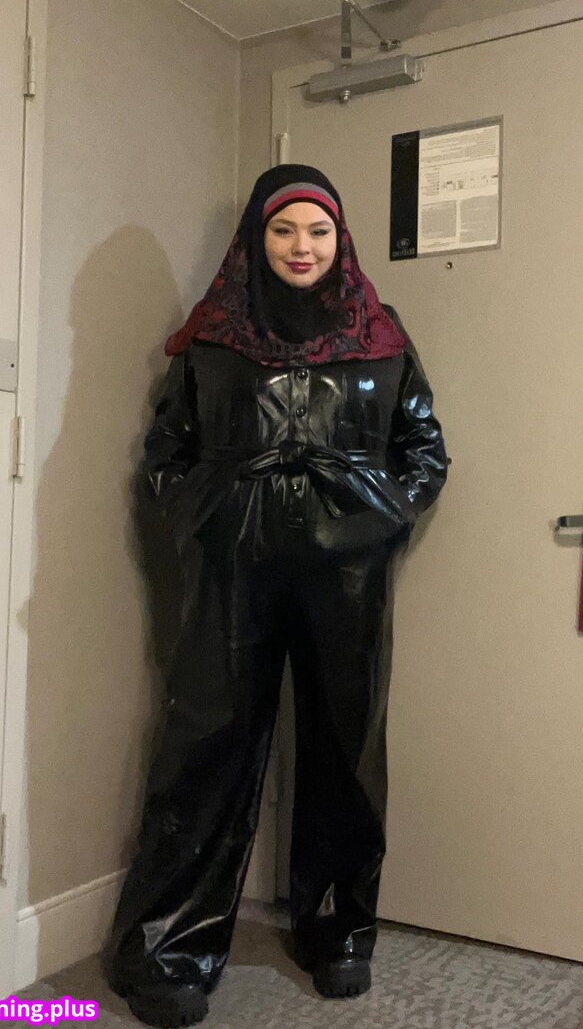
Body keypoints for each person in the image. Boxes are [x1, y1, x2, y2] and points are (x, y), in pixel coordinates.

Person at [103, 164, 450, 1027]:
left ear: (341, 238)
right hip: (233, 565)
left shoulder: (382, 335)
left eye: (318, 231)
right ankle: (170, 947)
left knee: (344, 746)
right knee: (205, 741)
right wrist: (205, 514)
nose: (302, 247)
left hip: (349, 572)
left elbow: (426, 450)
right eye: (284, 229)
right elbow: (165, 453)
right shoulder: (214, 337)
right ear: (256, 238)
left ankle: (338, 933)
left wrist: (381, 515)